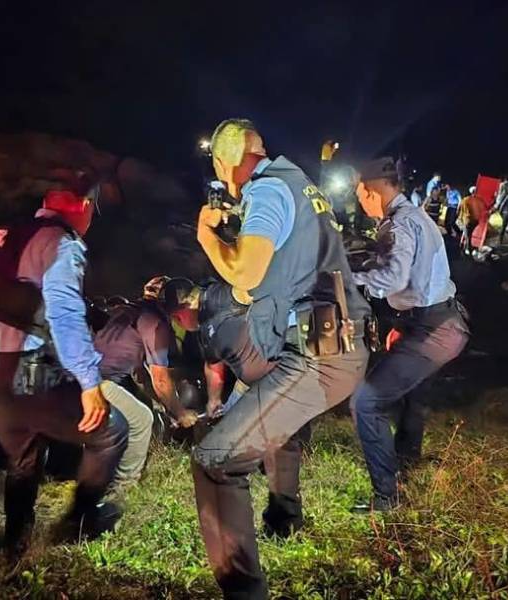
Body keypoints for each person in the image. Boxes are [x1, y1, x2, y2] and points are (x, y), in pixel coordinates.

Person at [192, 118, 371, 599]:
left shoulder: (267, 192)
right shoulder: (299, 184)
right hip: (332, 344)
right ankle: (285, 515)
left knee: (216, 459)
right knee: (265, 419)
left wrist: (208, 237)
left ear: (225, 162)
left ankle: (245, 591)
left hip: (320, 355)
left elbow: (246, 276)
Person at [0, 180, 128, 557]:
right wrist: (89, 381)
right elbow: (64, 315)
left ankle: (16, 541)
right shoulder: (62, 243)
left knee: (23, 452)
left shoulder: (12, 233)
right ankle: (80, 522)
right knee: (112, 431)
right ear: (84, 206)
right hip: (21, 371)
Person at [350, 157, 470, 511]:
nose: (359, 202)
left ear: (372, 191)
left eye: (359, 194)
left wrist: (346, 280)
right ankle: (407, 462)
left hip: (435, 327)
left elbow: (392, 279)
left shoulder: (398, 225)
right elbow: (413, 277)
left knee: (366, 401)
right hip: (439, 320)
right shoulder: (417, 216)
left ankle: (387, 497)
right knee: (411, 393)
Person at [93, 276, 200, 489]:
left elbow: (141, 375)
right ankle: (123, 487)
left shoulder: (131, 310)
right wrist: (180, 412)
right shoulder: (156, 323)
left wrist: (164, 405)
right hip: (96, 381)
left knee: (148, 409)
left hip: (89, 374)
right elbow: (160, 379)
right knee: (142, 419)